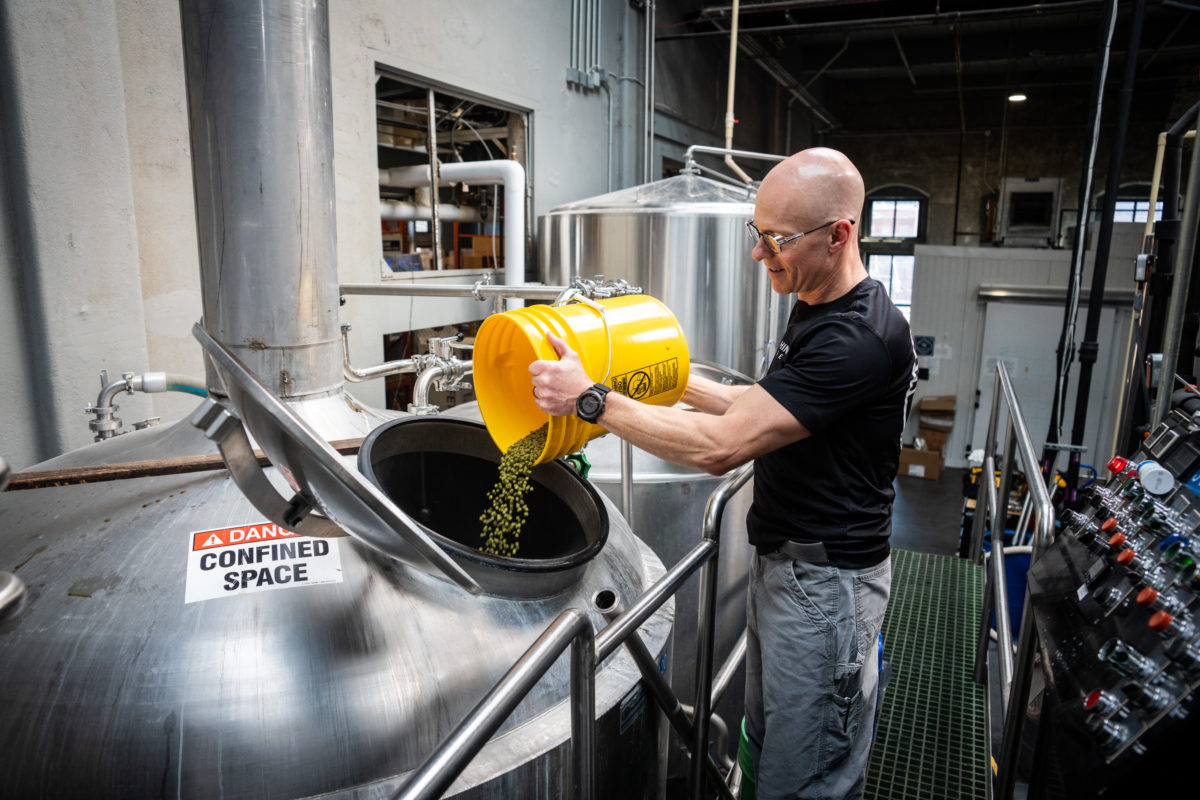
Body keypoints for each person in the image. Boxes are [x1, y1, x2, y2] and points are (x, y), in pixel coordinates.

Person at [530, 147, 917, 800]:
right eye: (755, 233)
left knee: (806, 777)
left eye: (775, 239)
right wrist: (663, 380)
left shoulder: (858, 337)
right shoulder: (818, 300)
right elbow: (766, 406)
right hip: (789, 570)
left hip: (825, 591)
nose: (758, 253)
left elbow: (720, 448)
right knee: (767, 751)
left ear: (838, 234)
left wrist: (592, 400)